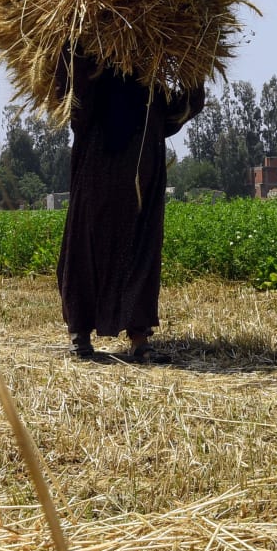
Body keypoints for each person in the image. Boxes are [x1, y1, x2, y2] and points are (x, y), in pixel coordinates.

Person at [53, 47, 205, 362]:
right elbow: (72, 106)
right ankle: (79, 334)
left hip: (142, 183)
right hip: (98, 177)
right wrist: (72, 50)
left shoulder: (150, 87)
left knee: (141, 254)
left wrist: (197, 68)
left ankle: (139, 338)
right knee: (86, 249)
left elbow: (178, 113)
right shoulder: (91, 73)